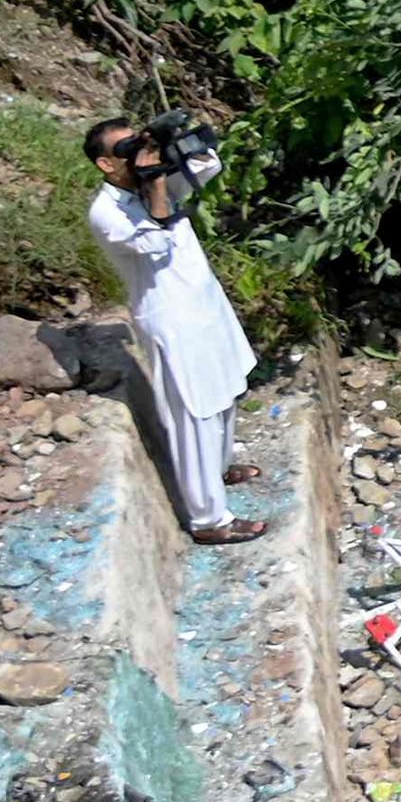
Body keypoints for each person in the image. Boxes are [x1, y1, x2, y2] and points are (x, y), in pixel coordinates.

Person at [85, 117, 263, 546]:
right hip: (171, 320)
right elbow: (155, 243)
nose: (137, 153)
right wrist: (156, 184)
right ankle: (209, 519)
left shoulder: (151, 183)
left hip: (204, 306)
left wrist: (177, 143)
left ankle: (218, 470)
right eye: (126, 148)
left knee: (224, 394)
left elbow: (207, 167)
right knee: (194, 413)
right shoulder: (106, 212)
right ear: (106, 165)